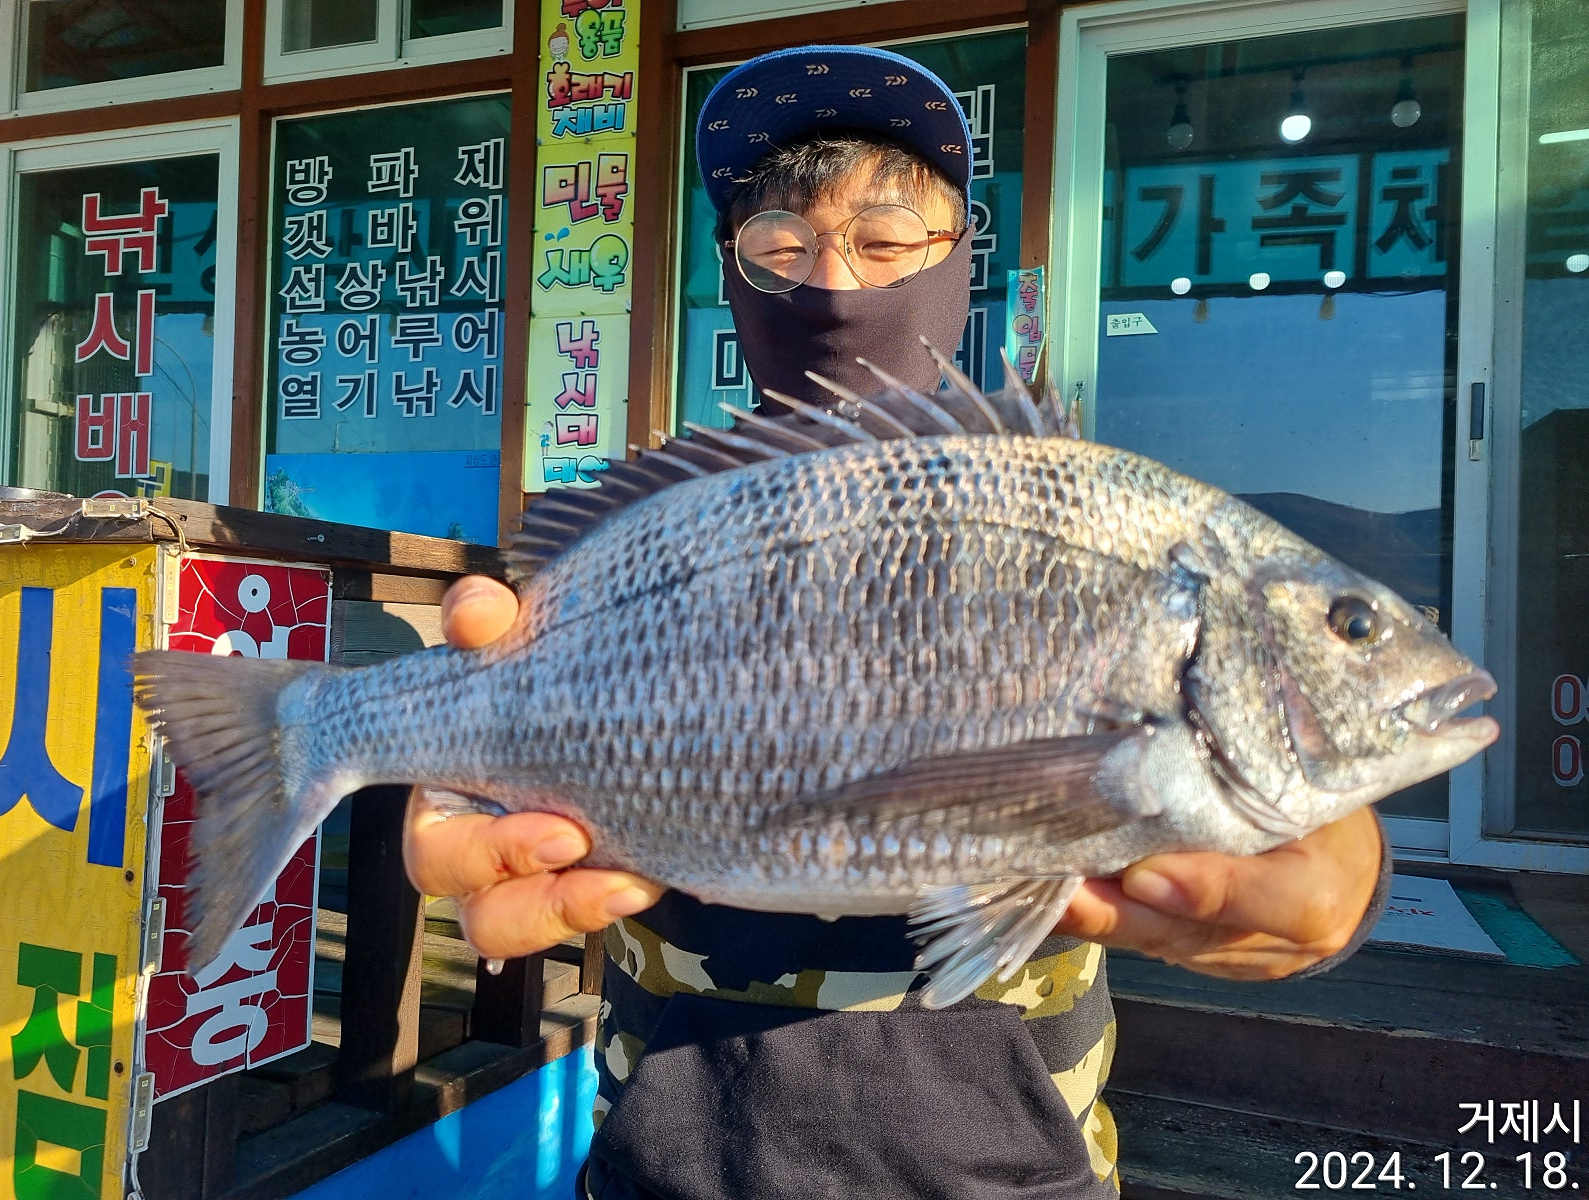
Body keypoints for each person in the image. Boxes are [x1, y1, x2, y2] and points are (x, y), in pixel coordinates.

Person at [406, 45, 1390, 1198]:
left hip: (1012, 1171)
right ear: (732, 271)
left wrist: (1346, 872)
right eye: (781, 246)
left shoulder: (1077, 511)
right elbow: (519, 724)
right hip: (663, 1165)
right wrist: (455, 767)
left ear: (958, 258)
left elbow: (1288, 836)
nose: (832, 281)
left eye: (882, 241)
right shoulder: (659, 528)